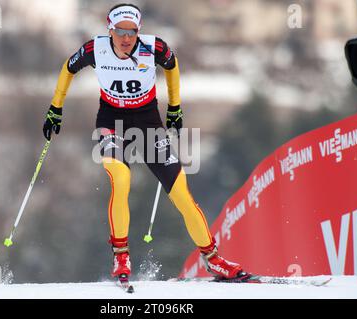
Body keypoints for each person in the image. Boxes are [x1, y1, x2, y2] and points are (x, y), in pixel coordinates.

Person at [43, 3, 248, 282]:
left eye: (132, 32)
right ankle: (121, 256)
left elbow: (172, 66)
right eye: (120, 31)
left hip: (148, 123)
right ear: (109, 29)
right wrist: (56, 109)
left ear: (139, 31)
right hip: (111, 122)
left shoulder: (154, 48)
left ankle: (214, 260)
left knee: (181, 195)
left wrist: (175, 107)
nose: (126, 38)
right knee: (121, 178)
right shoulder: (95, 49)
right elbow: (68, 68)